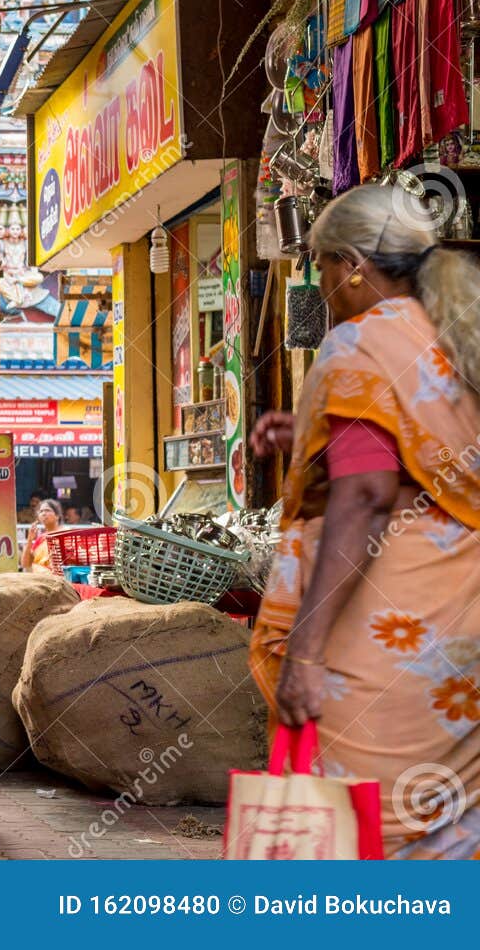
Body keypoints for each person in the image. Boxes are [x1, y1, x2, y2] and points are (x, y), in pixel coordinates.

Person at [248, 184, 480, 859]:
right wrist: (313, 434)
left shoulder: (362, 343)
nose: (320, 283)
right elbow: (422, 456)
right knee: (449, 827)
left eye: (321, 265)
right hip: (462, 622)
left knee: (359, 828)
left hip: (391, 626)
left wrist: (308, 651)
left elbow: (367, 496)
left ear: (353, 264)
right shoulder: (456, 333)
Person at [19, 499, 63, 573]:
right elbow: (25, 564)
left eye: (47, 510)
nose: (43, 513)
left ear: (57, 516)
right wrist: (29, 539)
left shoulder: (64, 533)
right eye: (41, 511)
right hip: (40, 577)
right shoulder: (41, 538)